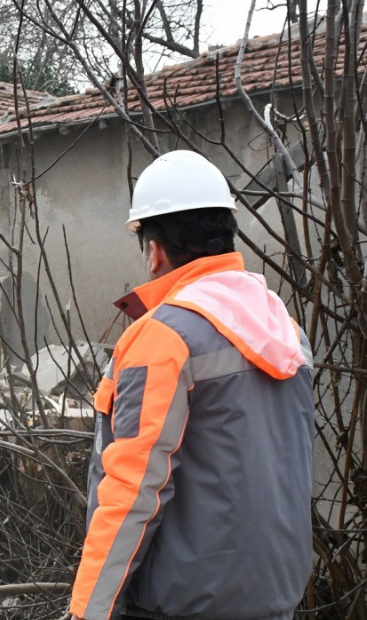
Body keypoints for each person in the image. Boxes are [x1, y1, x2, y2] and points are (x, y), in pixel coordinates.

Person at [70, 151, 314, 620]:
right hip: (276, 597)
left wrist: (89, 610)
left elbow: (135, 488)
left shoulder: (162, 339)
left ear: (154, 249)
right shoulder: (285, 328)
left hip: (184, 605)